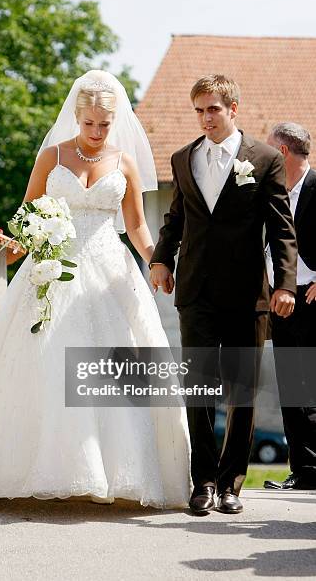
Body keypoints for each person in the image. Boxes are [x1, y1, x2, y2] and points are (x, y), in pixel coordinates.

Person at [0, 70, 190, 509]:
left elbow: (137, 225)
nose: (97, 132)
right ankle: (36, 471)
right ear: (76, 118)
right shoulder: (52, 155)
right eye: (89, 124)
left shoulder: (125, 162)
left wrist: (158, 259)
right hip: (52, 271)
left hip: (109, 272)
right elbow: (28, 212)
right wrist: (12, 243)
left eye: (105, 124)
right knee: (42, 365)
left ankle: (111, 474)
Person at [150, 74, 297, 514]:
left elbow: (282, 230)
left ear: (233, 108)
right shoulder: (182, 159)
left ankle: (233, 484)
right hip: (195, 291)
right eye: (199, 110)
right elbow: (176, 220)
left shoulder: (266, 159)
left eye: (213, 109)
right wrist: (161, 259)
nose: (205, 118)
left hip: (247, 294)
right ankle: (204, 482)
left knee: (241, 391)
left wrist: (285, 284)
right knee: (198, 389)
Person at [263, 122, 316, 490]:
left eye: (269, 150)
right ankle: (303, 472)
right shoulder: (271, 192)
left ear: (282, 152)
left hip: (313, 300)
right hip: (280, 300)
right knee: (292, 388)